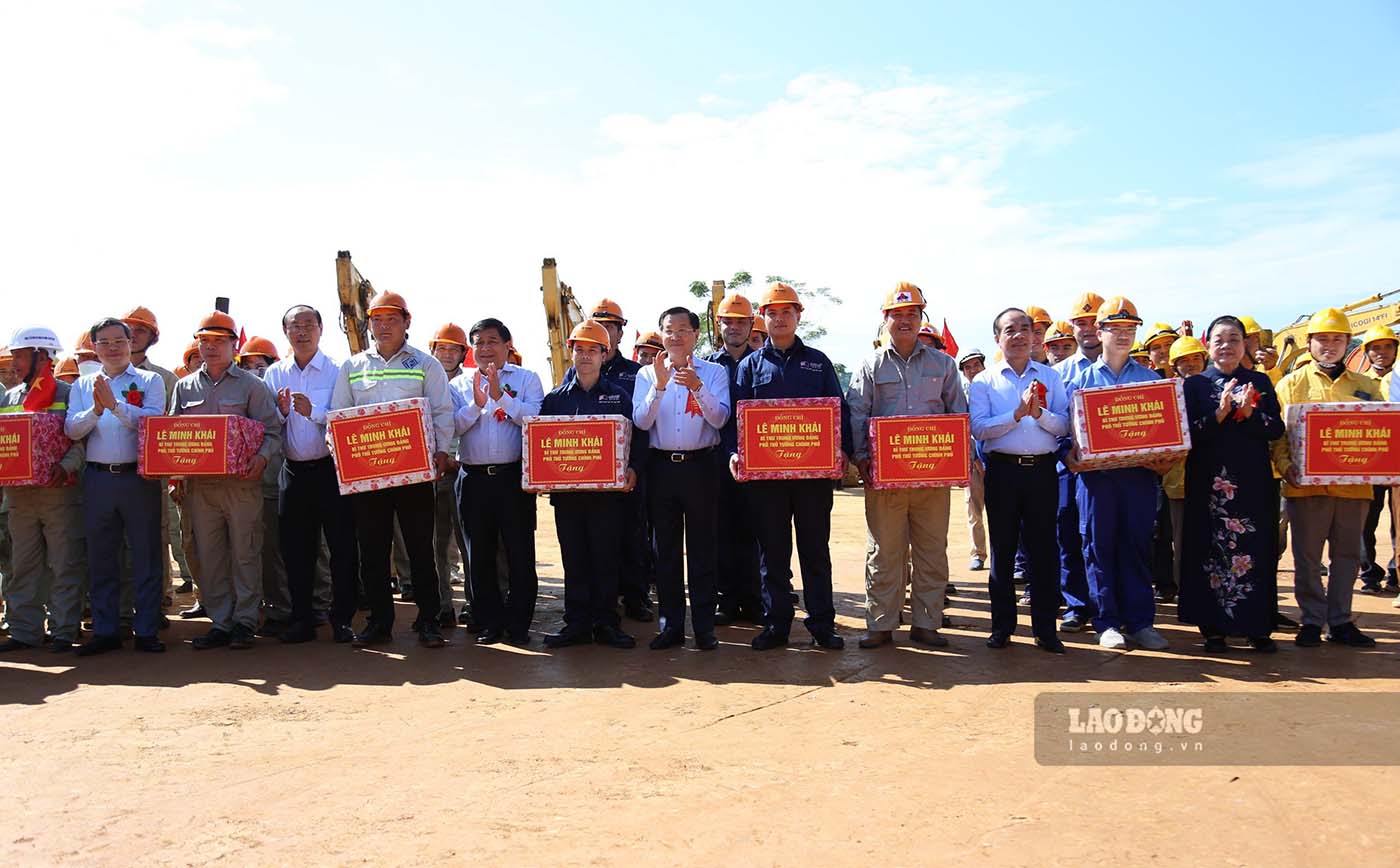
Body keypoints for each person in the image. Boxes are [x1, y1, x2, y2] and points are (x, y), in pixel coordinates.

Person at [732, 283, 852, 651]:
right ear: (762, 319)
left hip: (812, 479)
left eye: (787, 312)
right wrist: (735, 454)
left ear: (799, 316)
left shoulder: (818, 361)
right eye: (772, 312)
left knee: (815, 551)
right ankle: (777, 624)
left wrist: (843, 451)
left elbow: (839, 409)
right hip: (765, 481)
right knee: (773, 554)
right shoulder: (749, 367)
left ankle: (821, 625)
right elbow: (734, 421)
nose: (780, 318)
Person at [331, 291, 453, 649]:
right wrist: (338, 449)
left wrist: (442, 451)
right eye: (377, 320)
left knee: (420, 548)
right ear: (369, 324)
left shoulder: (424, 364)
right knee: (372, 550)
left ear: (407, 323)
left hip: (415, 475)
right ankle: (379, 623)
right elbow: (337, 417)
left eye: (392, 320)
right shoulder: (353, 367)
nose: (384, 327)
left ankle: (428, 620)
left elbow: (442, 411)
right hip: (367, 476)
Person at [848, 283, 966, 649]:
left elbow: (959, 414)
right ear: (885, 319)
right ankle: (880, 622)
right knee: (884, 550)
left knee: (932, 548)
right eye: (896, 315)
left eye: (911, 314)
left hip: (932, 478)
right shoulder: (870, 365)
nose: (904, 320)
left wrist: (960, 459)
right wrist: (862, 458)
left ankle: (926, 623)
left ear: (921, 319)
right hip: (884, 479)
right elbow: (856, 412)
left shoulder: (943, 365)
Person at [1063, 296, 1176, 650]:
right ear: (1100, 331)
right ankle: (1107, 622)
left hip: (1139, 478)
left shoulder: (1151, 380)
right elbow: (1064, 435)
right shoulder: (1080, 380)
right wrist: (1070, 457)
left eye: (1130, 328)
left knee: (1137, 546)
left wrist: (1167, 458)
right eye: (1116, 328)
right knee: (1098, 548)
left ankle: (1141, 622)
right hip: (1096, 482)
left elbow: (1167, 432)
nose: (1123, 335)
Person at [171, 313, 283, 650]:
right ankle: (221, 622)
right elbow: (173, 435)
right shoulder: (184, 386)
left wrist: (260, 458)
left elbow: (273, 431)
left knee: (245, 554)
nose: (210, 347)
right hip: (201, 488)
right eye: (205, 341)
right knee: (212, 556)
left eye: (219, 341)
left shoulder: (252, 386)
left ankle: (245, 622)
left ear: (234, 345)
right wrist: (176, 476)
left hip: (241, 485)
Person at [1271, 308, 1379, 648]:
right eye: (1322, 339)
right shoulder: (1291, 384)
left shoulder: (1367, 387)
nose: (1330, 345)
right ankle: (1312, 621)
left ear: (1349, 343)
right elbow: (1278, 438)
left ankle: (1341, 622)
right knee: (1307, 558)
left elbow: (1381, 433)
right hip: (1306, 490)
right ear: (1309, 343)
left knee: (1347, 556)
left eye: (1337, 339)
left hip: (1355, 488)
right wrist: (1287, 467)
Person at [1178, 317, 1284, 652]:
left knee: (1256, 549)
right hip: (1209, 484)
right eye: (1219, 340)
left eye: (1234, 339)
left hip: (1253, 482)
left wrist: (1251, 413)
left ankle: (1258, 627)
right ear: (1207, 346)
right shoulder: (1194, 386)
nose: (1227, 346)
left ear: (1245, 345)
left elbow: (1275, 429)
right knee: (1209, 550)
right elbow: (1187, 434)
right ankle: (1213, 629)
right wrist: (1219, 414)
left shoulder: (1260, 381)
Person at [65, 319, 168, 655]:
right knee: (102, 557)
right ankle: (106, 630)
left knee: (146, 555)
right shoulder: (83, 385)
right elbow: (71, 430)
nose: (113, 348)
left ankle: (147, 630)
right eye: (104, 342)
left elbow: (152, 422)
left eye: (119, 340)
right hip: (97, 479)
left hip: (138, 478)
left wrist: (116, 406)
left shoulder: (150, 380)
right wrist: (95, 410)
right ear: (94, 347)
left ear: (130, 342)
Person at [969, 309, 1070, 653]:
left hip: (1043, 471)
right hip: (1003, 472)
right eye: (1010, 330)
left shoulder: (1050, 378)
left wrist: (1039, 414)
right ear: (997, 338)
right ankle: (1002, 628)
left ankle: (1046, 630)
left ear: (1035, 337)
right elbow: (980, 429)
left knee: (1044, 551)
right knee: (1003, 551)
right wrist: (1016, 414)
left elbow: (1064, 426)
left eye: (1026, 329)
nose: (1020, 336)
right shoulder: (984, 381)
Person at [540, 320, 641, 649]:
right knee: (575, 559)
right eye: (579, 349)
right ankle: (577, 623)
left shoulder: (619, 397)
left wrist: (633, 470)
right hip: (568, 498)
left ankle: (606, 623)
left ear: (604, 353)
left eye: (592, 350)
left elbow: (636, 440)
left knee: (606, 558)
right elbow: (541, 445)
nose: (585, 356)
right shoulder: (554, 400)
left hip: (607, 498)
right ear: (570, 352)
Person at [634, 306, 729, 650]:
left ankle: (704, 627)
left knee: (703, 547)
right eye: (668, 330)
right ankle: (671, 625)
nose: (674, 336)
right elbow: (641, 422)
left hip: (701, 466)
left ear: (695, 335)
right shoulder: (646, 374)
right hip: (661, 469)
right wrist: (659, 388)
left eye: (682, 330)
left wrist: (699, 388)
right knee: (666, 551)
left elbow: (719, 419)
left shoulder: (714, 372)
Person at [265, 305, 360, 644]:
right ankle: (302, 619)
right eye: (295, 326)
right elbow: (269, 425)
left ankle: (343, 619)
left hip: (332, 472)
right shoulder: (275, 374)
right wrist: (281, 412)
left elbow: (348, 418)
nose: (302, 331)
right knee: (296, 550)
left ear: (321, 329)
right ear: (285, 332)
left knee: (342, 549)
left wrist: (314, 412)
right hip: (293, 473)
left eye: (308, 325)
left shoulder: (338, 370)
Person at [451, 317, 544, 646]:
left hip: (512, 479)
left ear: (508, 345)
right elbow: (451, 429)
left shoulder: (528, 379)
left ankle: (518, 624)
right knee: (480, 556)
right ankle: (489, 621)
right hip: (473, 480)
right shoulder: (459, 385)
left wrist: (500, 397)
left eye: (492, 341)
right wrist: (477, 405)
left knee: (520, 554)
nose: (485, 348)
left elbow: (534, 420)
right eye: (479, 343)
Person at [0, 326, 86, 654]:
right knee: (23, 565)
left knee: (64, 562)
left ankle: (64, 630)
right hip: (20, 497)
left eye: (21, 356)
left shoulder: (69, 393)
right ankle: (24, 631)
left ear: (42, 355)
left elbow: (80, 442)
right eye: (14, 356)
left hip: (59, 492)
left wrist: (64, 467)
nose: (15, 363)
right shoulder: (9, 398)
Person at [571, 299, 654, 622]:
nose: (602, 332)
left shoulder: (638, 373)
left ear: (619, 333)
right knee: (593, 544)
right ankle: (593, 604)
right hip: (588, 475)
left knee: (633, 536)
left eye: (609, 327)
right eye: (596, 325)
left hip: (627, 475)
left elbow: (643, 424)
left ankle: (636, 597)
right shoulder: (570, 376)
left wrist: (635, 466)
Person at [705, 293, 764, 624]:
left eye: (741, 321)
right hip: (716, 461)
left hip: (758, 462)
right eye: (728, 321)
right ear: (719, 325)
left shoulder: (762, 364)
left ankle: (754, 600)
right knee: (721, 532)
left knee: (754, 532)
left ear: (750, 325)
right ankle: (726, 601)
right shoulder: (708, 367)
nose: (735, 327)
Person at [1052, 291, 1104, 633]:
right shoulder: (1059, 374)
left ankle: (1107, 607)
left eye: (1093, 322)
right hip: (1067, 469)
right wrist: (1064, 452)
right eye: (1080, 323)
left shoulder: (1130, 369)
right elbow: (1053, 419)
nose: (1087, 329)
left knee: (1104, 540)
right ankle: (1076, 605)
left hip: (1108, 472)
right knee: (1068, 537)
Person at [236, 336, 294, 637]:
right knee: (246, 549)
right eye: (247, 366)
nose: (254, 371)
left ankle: (281, 608)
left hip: (271, 481)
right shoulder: (241, 391)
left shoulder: (276, 393)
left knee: (274, 550)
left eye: (260, 365)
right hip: (241, 485)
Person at [1158, 336, 1208, 603]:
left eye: (1196, 358)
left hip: (1213, 481)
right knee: (1182, 543)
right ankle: (1186, 595)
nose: (1190, 364)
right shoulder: (1168, 393)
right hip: (1179, 481)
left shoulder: (1215, 389)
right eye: (1184, 361)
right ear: (1174, 366)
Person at [429, 323, 472, 627]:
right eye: (441, 348)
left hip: (461, 474)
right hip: (430, 476)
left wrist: (456, 460)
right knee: (435, 544)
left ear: (462, 354)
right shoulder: (420, 383)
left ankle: (473, 601)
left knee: (469, 543)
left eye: (452, 349)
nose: (446, 354)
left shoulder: (471, 384)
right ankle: (442, 604)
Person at [1357, 325, 1398, 593]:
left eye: (1387, 346)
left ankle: (1396, 572)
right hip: (1370, 462)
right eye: (1375, 347)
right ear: (1367, 352)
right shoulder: (1359, 383)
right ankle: (1370, 574)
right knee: (1365, 521)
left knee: (1399, 520)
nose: (1381, 352)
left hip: (1397, 460)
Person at [957, 349, 988, 571]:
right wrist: (973, 458)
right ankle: (978, 553)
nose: (973, 370)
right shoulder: (961, 395)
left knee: (1002, 512)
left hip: (996, 460)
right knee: (974, 511)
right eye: (968, 367)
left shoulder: (992, 388)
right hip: (971, 463)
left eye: (976, 365)